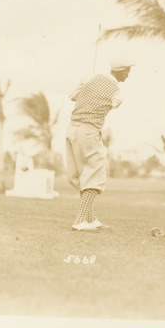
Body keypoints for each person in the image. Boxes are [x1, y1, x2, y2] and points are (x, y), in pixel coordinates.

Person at [65, 57, 134, 232]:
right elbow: (112, 104)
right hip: (88, 132)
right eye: (128, 71)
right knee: (95, 175)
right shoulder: (118, 93)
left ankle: (91, 218)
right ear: (123, 71)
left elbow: (73, 96)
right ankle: (80, 220)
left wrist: (88, 87)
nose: (128, 74)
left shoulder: (89, 78)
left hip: (72, 129)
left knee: (81, 175)